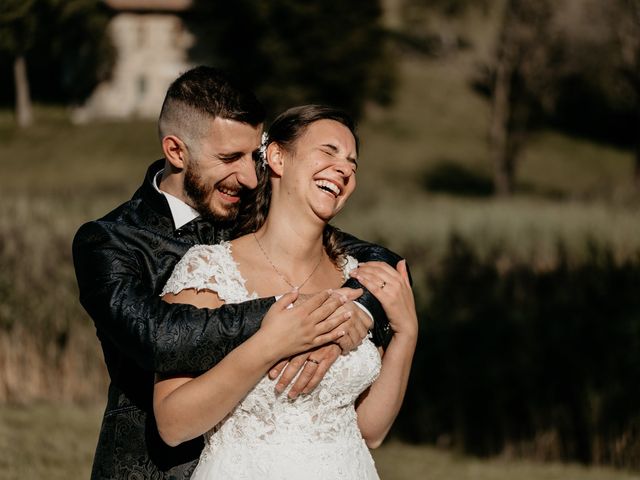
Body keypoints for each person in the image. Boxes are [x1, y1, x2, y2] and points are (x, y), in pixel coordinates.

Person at [72, 66, 401, 479]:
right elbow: (158, 337)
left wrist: (359, 311)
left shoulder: (249, 210)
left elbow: (379, 259)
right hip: (153, 466)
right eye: (229, 159)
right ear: (176, 152)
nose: (248, 177)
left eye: (254, 156)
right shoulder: (109, 242)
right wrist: (296, 318)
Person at [154, 105, 418, 479]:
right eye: (328, 151)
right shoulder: (209, 270)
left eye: (352, 163)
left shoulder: (356, 281)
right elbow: (172, 423)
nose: (344, 169)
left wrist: (406, 334)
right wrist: (270, 345)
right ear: (277, 157)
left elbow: (370, 431)